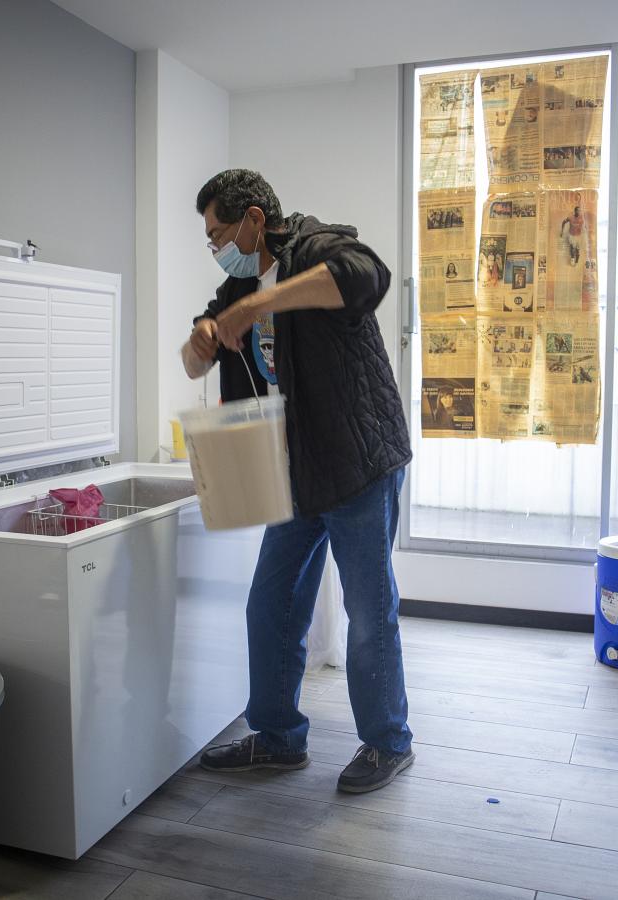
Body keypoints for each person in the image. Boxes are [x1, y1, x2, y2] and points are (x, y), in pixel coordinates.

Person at [181, 169, 415, 793]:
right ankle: (279, 736)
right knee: (272, 603)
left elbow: (368, 276)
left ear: (255, 220)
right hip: (296, 472)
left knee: (369, 611)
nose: (216, 248)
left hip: (358, 461)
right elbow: (191, 356)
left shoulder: (317, 246)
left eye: (219, 233)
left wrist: (260, 303)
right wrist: (203, 338)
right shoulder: (234, 284)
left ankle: (388, 742)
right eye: (209, 240)